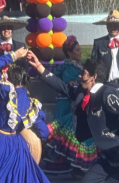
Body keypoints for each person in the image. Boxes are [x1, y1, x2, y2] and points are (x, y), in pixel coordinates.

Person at [27, 51, 119, 183]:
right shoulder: (82, 93)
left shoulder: (107, 93)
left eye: (83, 73)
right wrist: (39, 66)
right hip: (105, 157)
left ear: (93, 77)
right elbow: (61, 86)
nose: (79, 75)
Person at [0, 48, 50, 183]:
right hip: (18, 145)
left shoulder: (2, 89)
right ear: (25, 80)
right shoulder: (32, 103)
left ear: (7, 76)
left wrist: (14, 55)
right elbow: (44, 131)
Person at [40, 36, 99, 179]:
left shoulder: (78, 66)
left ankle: (74, 165)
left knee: (72, 134)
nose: (80, 52)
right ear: (70, 53)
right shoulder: (68, 68)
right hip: (68, 103)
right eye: (77, 50)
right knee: (68, 133)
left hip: (74, 102)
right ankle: (70, 164)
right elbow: (69, 86)